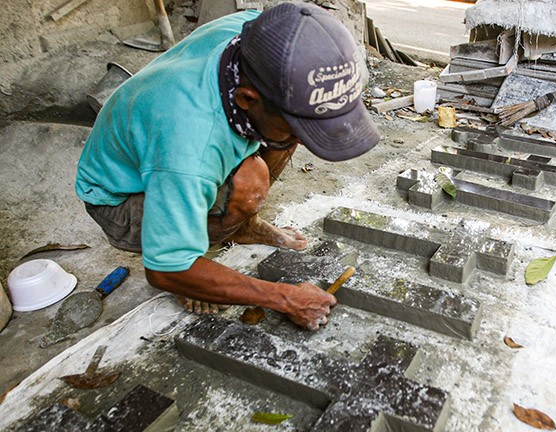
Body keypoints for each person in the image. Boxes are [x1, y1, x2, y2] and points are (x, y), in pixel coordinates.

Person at [75, 3, 379, 330]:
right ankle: (195, 261)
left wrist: (297, 128)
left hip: (173, 154)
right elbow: (164, 269)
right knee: (248, 186)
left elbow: (290, 122)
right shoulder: (190, 147)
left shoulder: (267, 39)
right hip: (123, 198)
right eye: (300, 133)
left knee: (286, 129)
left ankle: (243, 226)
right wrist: (284, 297)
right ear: (246, 99)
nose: (304, 144)